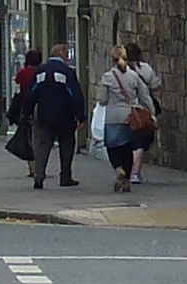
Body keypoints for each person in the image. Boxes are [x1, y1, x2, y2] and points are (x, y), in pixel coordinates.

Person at [98, 41, 160, 191]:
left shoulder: (107, 77)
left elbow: (103, 99)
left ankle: (118, 169)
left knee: (112, 146)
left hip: (113, 117)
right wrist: (151, 113)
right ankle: (126, 176)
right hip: (130, 117)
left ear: (112, 59)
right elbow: (145, 97)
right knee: (127, 148)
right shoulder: (134, 77)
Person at [26, 46, 87, 190]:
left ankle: (39, 176)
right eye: (67, 54)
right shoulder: (68, 72)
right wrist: (81, 117)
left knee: (43, 145)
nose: (68, 57)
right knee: (66, 145)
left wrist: (28, 112)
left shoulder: (40, 71)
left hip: (45, 115)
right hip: (65, 115)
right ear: (62, 55)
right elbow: (75, 95)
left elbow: (32, 93)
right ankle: (65, 176)